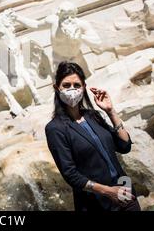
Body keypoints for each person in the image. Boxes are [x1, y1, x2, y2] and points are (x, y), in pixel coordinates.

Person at [45, 61, 141, 211]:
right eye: (66, 85)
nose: (72, 89)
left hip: (125, 194)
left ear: (84, 87)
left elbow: (125, 146)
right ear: (57, 88)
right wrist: (109, 192)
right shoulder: (55, 129)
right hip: (96, 204)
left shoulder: (93, 116)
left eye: (77, 85)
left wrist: (111, 112)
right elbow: (70, 174)